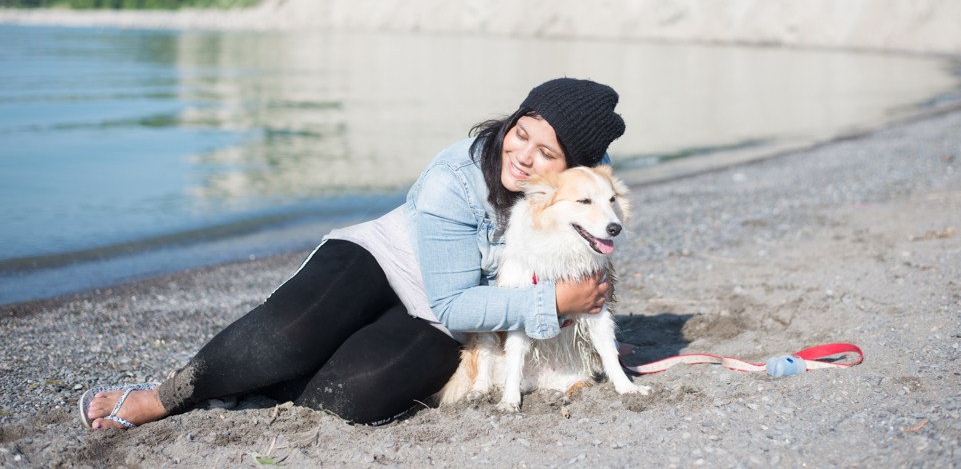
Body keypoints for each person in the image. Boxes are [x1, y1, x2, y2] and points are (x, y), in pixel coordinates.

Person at [82, 78, 627, 428]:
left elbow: (595, 230)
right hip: (388, 261)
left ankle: (253, 395)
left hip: (447, 318)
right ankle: (167, 396)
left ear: (571, 168)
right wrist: (554, 302)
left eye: (547, 152)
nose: (523, 155)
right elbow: (461, 300)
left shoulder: (571, 202)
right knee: (288, 334)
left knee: (353, 396)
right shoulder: (455, 177)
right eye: (521, 132)